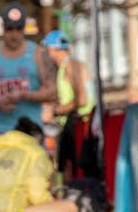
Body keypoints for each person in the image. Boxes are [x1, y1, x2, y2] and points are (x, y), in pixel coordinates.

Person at [0, 2, 56, 143]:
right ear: (3, 28)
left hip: (30, 131)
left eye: (19, 29)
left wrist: (24, 95)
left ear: (25, 28)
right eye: (9, 29)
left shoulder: (39, 53)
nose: (14, 34)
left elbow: (52, 92)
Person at [42, 30, 98, 182]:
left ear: (52, 49)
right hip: (76, 122)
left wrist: (54, 111)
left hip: (79, 123)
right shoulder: (68, 67)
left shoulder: (71, 66)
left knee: (70, 169)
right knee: (67, 168)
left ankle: (72, 201)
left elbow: (81, 100)